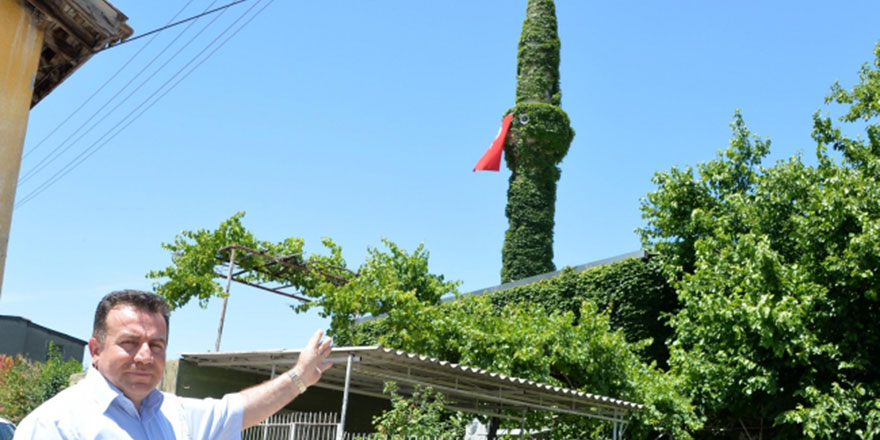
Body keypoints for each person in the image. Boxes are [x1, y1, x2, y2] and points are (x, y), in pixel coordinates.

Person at [13, 289, 333, 439]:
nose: (144, 356)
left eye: (156, 345)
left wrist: (299, 377)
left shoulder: (175, 416)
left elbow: (239, 410)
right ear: (95, 349)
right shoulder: (55, 425)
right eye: (129, 343)